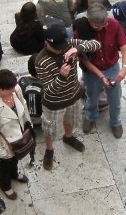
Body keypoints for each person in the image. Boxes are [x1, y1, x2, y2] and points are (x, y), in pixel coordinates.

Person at [34, 20, 100, 170]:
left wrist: (77, 48)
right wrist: (62, 76)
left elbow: (96, 44)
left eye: (61, 46)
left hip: (73, 95)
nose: (60, 50)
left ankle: (68, 137)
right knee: (49, 129)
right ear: (47, 43)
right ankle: (49, 150)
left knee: (70, 120)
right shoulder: (41, 60)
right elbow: (49, 89)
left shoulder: (68, 44)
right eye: (56, 47)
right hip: (54, 102)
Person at [74, 4, 126, 138]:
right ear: (90, 21)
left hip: (112, 68)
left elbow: (124, 48)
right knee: (92, 98)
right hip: (93, 70)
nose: (104, 26)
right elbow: (85, 60)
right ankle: (91, 117)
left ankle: (116, 122)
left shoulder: (114, 24)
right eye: (98, 25)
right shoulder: (80, 31)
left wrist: (124, 68)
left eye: (104, 22)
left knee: (115, 99)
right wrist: (101, 77)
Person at [0, 70, 32, 199]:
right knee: (5, 165)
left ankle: (14, 173)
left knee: (15, 159)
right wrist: (1, 152)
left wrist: (28, 124)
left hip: (20, 136)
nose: (13, 91)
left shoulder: (16, 89)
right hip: (6, 143)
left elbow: (24, 106)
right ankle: (5, 185)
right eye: (9, 89)